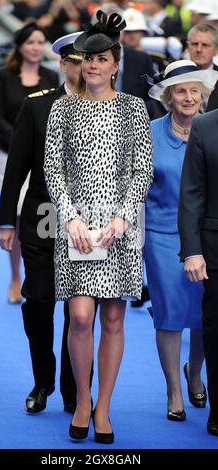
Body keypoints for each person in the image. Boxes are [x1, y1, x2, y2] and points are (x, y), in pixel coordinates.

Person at [44, 10, 153, 443]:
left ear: (116, 63)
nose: (93, 66)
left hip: (119, 227)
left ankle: (104, 406)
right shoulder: (62, 110)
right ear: (79, 63)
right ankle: (83, 399)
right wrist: (69, 217)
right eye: (87, 59)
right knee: (81, 315)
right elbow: (54, 170)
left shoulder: (132, 108)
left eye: (102, 59)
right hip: (75, 227)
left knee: (111, 318)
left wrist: (123, 217)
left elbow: (141, 170)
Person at [0, 32, 83, 414]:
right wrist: (5, 222)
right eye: (74, 60)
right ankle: (42, 380)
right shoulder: (36, 107)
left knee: (80, 312)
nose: (81, 67)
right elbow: (15, 169)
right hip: (41, 218)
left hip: (89, 225)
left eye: (89, 60)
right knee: (38, 302)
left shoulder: (110, 109)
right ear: (61, 64)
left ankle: (72, 388)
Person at [144, 59, 218, 421]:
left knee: (206, 312)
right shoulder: (150, 133)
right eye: (180, 92)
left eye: (194, 91)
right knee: (170, 315)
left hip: (205, 236)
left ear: (203, 95)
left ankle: (196, 370)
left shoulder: (210, 129)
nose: (188, 97)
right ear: (168, 97)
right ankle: (174, 388)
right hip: (160, 235)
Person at [0, 21, 58, 304]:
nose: (35, 47)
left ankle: (46, 273)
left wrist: (35, 147)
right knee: (16, 218)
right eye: (30, 42)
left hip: (45, 159)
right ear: (20, 46)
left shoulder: (52, 77)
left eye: (40, 42)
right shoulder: (4, 76)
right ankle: (16, 277)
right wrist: (21, 143)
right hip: (9, 156)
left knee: (44, 215)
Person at [178, 107, 218, 437]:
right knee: (216, 329)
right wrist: (192, 250)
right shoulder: (204, 126)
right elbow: (191, 193)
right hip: (214, 247)